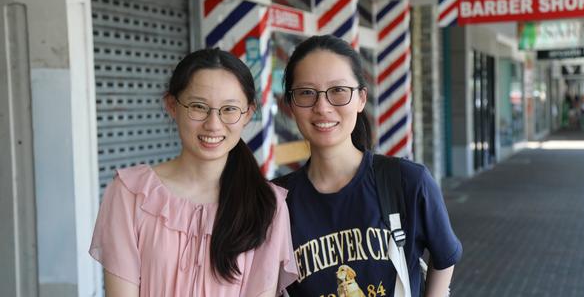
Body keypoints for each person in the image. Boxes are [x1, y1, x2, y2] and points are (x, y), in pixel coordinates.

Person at [89, 48, 298, 296]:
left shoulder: (267, 204)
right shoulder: (130, 193)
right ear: (172, 106)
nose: (213, 124)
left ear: (248, 114)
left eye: (229, 109)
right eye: (198, 106)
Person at [276, 35, 462, 296]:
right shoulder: (277, 201)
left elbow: (445, 256)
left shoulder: (406, 181)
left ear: (361, 99)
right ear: (291, 106)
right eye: (306, 93)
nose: (322, 107)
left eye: (338, 91)